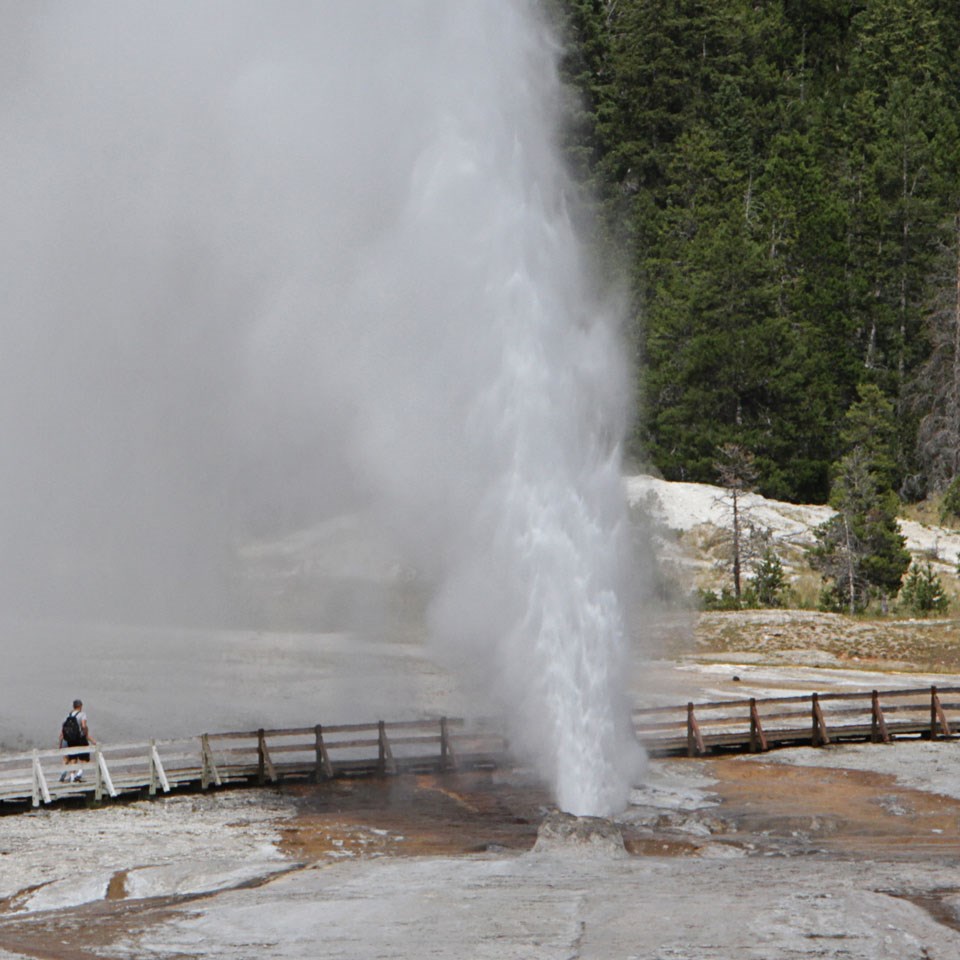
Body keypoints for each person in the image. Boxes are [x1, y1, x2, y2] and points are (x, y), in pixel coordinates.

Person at [58, 698, 95, 781]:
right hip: (78, 739)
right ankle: (78, 774)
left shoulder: (67, 716)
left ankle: (67, 774)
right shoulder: (82, 714)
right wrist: (86, 735)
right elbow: (84, 726)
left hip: (67, 739)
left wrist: (60, 744)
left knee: (70, 758)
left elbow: (62, 731)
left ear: (73, 706)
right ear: (80, 706)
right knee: (84, 756)